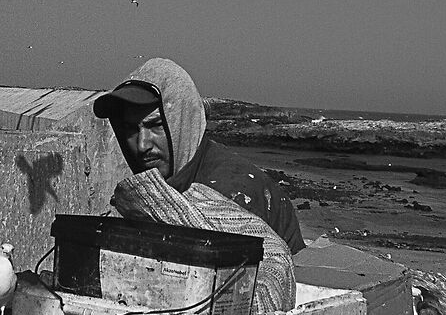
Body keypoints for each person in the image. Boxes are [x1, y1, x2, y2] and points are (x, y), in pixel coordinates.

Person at [92, 58, 305, 255]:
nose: (142, 145)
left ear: (183, 122)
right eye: (130, 129)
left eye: (155, 125)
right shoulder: (165, 189)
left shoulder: (227, 198)